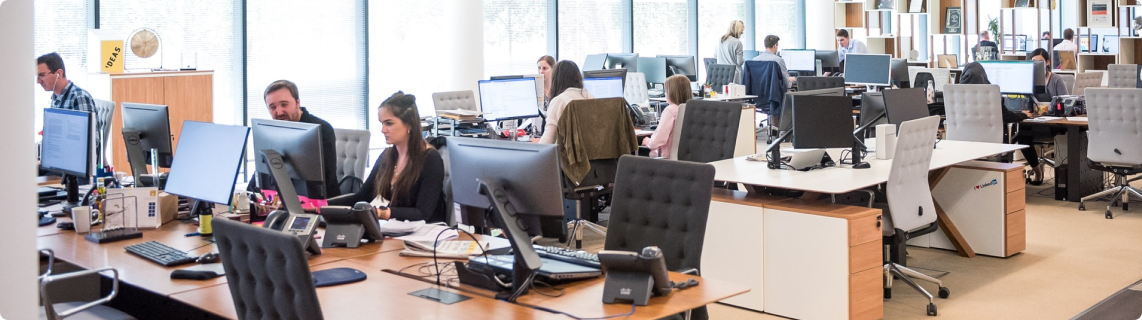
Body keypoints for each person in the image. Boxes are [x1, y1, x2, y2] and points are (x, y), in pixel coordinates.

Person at [329, 91, 446, 222]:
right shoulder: (388, 156)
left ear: (409, 125)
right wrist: (320, 206)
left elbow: (422, 213)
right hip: (395, 231)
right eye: (382, 123)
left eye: (389, 123)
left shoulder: (430, 159)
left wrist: (381, 213)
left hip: (425, 235)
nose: (383, 130)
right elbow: (361, 197)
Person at [255, 80, 341, 199]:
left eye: (284, 104)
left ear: (297, 102)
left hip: (320, 204)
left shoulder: (321, 129)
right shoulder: (273, 131)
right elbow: (263, 169)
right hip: (284, 199)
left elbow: (326, 179)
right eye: (272, 107)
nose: (279, 112)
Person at [1015, 49, 1070, 185]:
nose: (1037, 65)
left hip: (1053, 123)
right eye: (1034, 62)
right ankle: (1037, 172)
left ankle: (1064, 181)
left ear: (1047, 62)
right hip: (1034, 121)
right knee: (1021, 135)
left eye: (1040, 62)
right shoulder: (1027, 80)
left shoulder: (1056, 79)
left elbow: (1066, 103)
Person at [536, 60, 595, 144]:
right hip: (592, 154)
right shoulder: (590, 97)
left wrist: (536, 144)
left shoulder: (559, 101)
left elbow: (547, 142)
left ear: (556, 79)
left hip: (567, 156)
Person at [642, 75, 692, 157]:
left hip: (665, 159)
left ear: (671, 92)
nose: (665, 94)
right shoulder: (691, 109)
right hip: (685, 159)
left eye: (666, 91)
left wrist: (647, 141)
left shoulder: (670, 110)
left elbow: (655, 143)